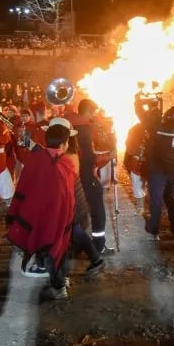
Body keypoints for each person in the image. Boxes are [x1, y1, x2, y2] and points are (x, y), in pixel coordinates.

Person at [7, 118, 93, 300]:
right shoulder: (67, 163)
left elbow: (24, 185)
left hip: (38, 216)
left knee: (48, 249)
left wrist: (16, 211)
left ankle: (61, 282)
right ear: (64, 143)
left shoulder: (36, 159)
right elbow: (69, 195)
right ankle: (60, 286)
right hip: (61, 217)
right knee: (58, 249)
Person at [65, 99, 109, 255]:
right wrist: (107, 157)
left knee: (77, 211)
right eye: (93, 112)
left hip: (74, 175)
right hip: (85, 174)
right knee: (97, 211)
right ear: (88, 111)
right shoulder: (84, 128)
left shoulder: (71, 124)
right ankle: (98, 246)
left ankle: (76, 245)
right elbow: (89, 157)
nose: (94, 115)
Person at [145, 106, 174, 240]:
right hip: (172, 171)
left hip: (159, 170)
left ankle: (154, 231)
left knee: (156, 200)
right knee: (171, 199)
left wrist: (145, 106)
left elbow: (147, 122)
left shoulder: (161, 129)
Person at [124, 120, 147, 213]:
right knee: (139, 184)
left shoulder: (153, 128)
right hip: (138, 162)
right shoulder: (135, 130)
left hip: (143, 162)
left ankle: (141, 207)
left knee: (139, 184)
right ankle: (141, 206)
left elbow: (129, 147)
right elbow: (129, 146)